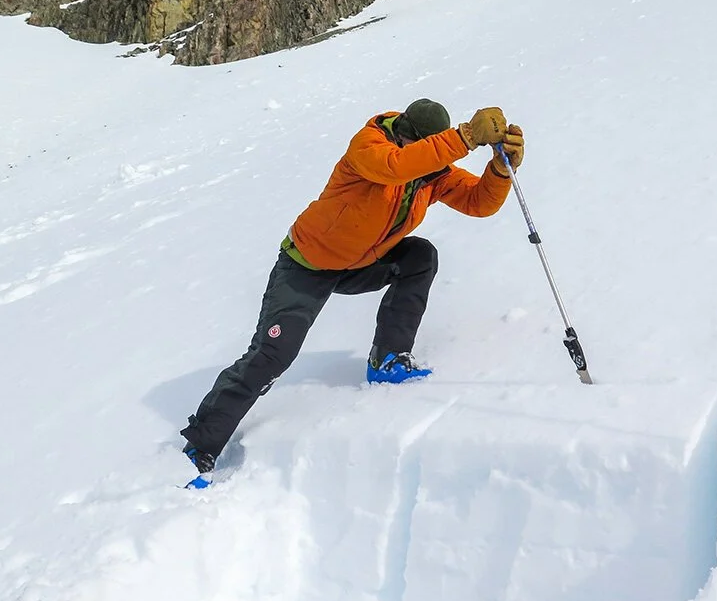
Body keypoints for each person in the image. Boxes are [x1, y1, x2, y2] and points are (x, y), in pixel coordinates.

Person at [180, 99, 525, 478]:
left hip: (359, 264)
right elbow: (394, 168)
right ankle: (201, 444)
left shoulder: (432, 172)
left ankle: (388, 359)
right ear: (406, 136)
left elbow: (478, 202)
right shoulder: (370, 145)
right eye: (426, 148)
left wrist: (499, 170)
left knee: (419, 256)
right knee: (272, 354)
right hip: (306, 265)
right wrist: (467, 136)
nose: (432, 162)